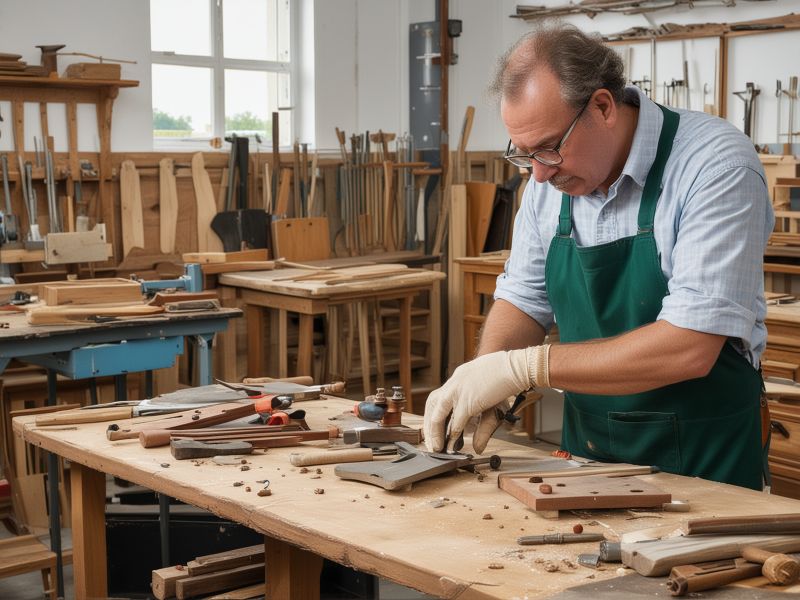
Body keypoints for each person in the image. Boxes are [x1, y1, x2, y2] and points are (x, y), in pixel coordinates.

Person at [423, 23, 774, 490]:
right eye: (524, 155)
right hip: (586, 465)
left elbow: (690, 345)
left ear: (603, 107)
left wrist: (524, 368)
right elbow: (524, 298)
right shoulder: (549, 182)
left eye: (549, 148)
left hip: (706, 467)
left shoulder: (715, 165)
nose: (538, 175)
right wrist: (485, 376)